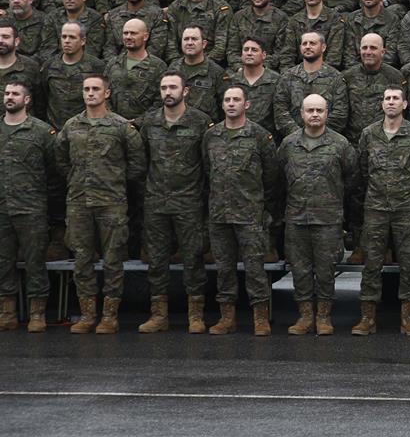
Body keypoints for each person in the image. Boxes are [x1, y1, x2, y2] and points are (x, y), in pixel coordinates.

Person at [55, 74, 147, 334]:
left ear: (107, 93)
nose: (90, 93)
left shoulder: (120, 126)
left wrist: (114, 181)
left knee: (113, 260)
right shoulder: (72, 125)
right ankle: (87, 315)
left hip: (111, 202)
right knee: (82, 259)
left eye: (96, 89)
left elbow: (137, 164)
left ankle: (109, 316)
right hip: (79, 201)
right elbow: (60, 158)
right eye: (86, 89)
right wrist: (77, 179)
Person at [136, 72, 212, 335]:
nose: (168, 92)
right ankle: (159, 315)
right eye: (163, 88)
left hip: (189, 202)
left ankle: (196, 315)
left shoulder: (200, 122)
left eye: (173, 87)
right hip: (156, 201)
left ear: (185, 91)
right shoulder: (150, 122)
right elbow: (140, 161)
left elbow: (208, 163)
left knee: (193, 259)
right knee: (156, 261)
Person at [278, 93, 358, 336]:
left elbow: (352, 178)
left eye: (319, 111)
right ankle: (304, 316)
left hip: (328, 219)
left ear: (327, 114)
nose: (314, 114)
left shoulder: (340, 144)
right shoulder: (289, 144)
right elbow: (277, 178)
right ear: (301, 114)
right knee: (300, 270)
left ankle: (323, 316)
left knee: (325, 270)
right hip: (297, 217)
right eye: (310, 110)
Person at [202, 85, 279, 336]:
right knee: (224, 269)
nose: (231, 103)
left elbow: (271, 175)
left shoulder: (259, 136)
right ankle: (227, 317)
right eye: (227, 99)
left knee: (255, 268)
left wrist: (258, 204)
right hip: (220, 214)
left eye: (237, 99)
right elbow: (207, 170)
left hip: (250, 214)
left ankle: (260, 318)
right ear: (222, 105)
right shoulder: (211, 137)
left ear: (247, 104)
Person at [353, 86, 410, 337]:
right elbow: (363, 170)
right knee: (372, 263)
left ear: (405, 104)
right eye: (387, 98)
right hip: (375, 207)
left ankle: (408, 318)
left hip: (406, 208)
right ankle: (367, 318)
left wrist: (409, 196)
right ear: (381, 103)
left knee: (408, 262)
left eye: (396, 98)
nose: (391, 102)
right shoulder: (369, 134)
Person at [0, 81, 57, 333]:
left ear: (28, 100)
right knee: (3, 262)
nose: (9, 97)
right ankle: (7, 311)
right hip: (2, 208)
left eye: (15, 94)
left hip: (32, 208)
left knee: (35, 262)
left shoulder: (42, 132)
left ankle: (37, 313)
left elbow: (55, 172)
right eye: (7, 93)